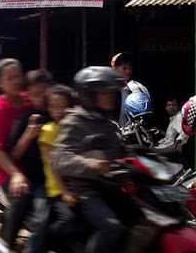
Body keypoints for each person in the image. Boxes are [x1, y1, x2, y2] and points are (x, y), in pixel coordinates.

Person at [51, 66, 128, 253]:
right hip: (85, 190)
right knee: (111, 227)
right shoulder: (74, 121)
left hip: (110, 185)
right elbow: (61, 157)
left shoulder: (107, 123)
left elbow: (119, 152)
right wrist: (91, 164)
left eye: (111, 91)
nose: (110, 96)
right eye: (104, 92)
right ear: (88, 94)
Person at [0, 58, 31, 253]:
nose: (16, 81)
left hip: (28, 161)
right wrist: (16, 175)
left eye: (18, 76)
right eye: (10, 78)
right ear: (0, 83)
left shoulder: (28, 100)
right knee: (23, 195)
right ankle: (4, 240)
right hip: (3, 165)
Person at [5, 70, 53, 252]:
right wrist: (29, 134)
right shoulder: (26, 118)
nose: (40, 98)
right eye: (35, 94)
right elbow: (14, 155)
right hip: (32, 180)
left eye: (44, 93)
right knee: (40, 218)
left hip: (55, 178)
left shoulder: (57, 113)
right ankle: (7, 242)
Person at [27, 84, 78, 253]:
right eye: (53, 107)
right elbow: (52, 165)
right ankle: (44, 242)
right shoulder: (48, 131)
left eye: (63, 106)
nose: (58, 111)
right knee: (69, 220)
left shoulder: (73, 127)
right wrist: (64, 192)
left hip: (77, 185)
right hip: (56, 189)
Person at [111, 52, 149, 127]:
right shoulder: (109, 90)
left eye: (129, 69)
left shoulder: (136, 88)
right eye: (124, 68)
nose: (128, 71)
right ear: (115, 69)